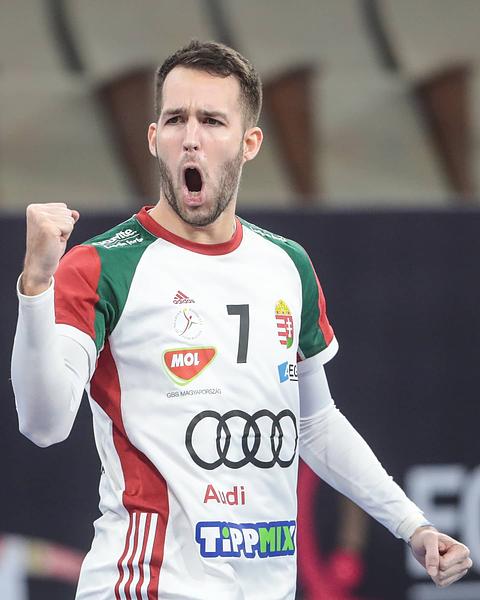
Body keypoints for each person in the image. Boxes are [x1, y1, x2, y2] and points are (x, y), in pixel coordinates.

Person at [11, 40, 471, 599]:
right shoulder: (103, 265)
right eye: (175, 119)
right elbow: (43, 424)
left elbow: (314, 423)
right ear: (154, 138)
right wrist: (36, 287)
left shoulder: (286, 264)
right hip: (150, 584)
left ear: (249, 143)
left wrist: (413, 526)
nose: (191, 137)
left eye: (211, 120)